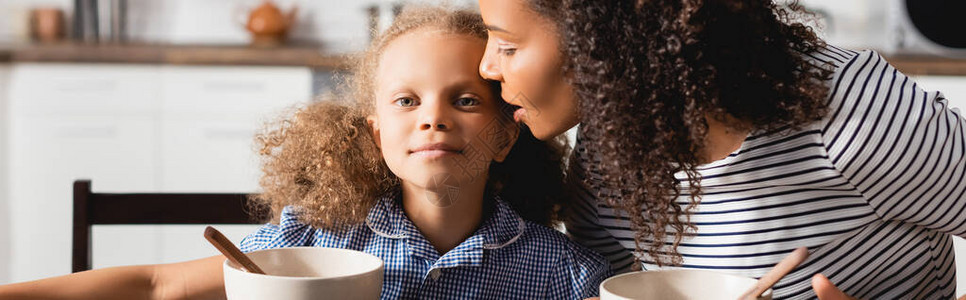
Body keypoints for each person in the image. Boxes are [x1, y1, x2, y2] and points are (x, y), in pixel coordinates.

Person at [0, 6, 609, 299]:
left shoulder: (566, 275)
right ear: (376, 136)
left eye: (466, 102)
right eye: (405, 101)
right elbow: (158, 283)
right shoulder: (316, 247)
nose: (432, 117)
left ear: (508, 134)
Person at [477, 0, 965, 299]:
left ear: (602, 38)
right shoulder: (611, 138)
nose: (485, 67)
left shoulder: (853, 113)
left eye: (507, 46)